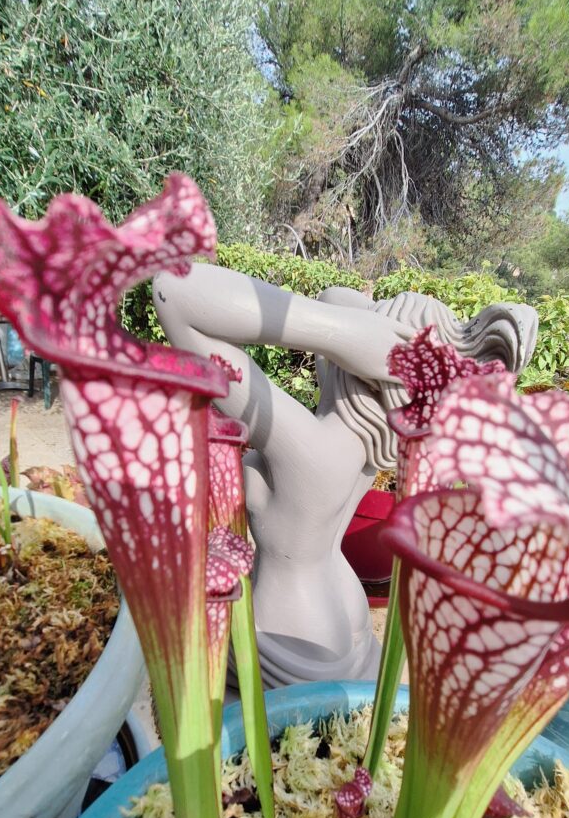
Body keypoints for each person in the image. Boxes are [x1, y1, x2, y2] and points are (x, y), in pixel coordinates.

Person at [153, 264, 536, 686]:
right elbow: (334, 295)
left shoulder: (310, 449)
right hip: (343, 608)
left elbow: (176, 294)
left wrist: (343, 334)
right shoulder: (367, 450)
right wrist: (364, 337)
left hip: (292, 627)